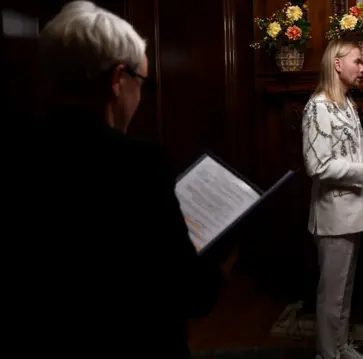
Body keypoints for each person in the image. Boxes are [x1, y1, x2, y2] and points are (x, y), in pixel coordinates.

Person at [4, 2, 229, 358]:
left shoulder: (15, 153)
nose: (140, 95)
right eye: (141, 82)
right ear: (117, 79)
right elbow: (192, 292)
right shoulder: (136, 163)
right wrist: (218, 262)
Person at [302, 39, 363, 359]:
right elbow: (318, 165)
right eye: (358, 61)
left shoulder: (347, 104)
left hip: (354, 211)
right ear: (337, 64)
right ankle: (327, 353)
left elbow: (351, 156)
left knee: (345, 289)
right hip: (333, 215)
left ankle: (340, 346)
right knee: (332, 293)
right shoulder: (318, 106)